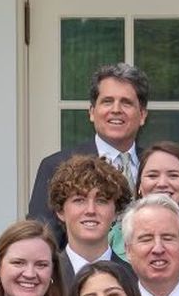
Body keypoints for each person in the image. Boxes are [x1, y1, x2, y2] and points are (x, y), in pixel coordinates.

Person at [28, 63, 149, 229]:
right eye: (107, 101)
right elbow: (43, 239)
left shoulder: (157, 166)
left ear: (142, 115)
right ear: (92, 112)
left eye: (126, 103)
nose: (116, 109)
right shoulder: (55, 166)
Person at [107, 142, 179, 259]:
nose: (162, 183)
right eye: (152, 175)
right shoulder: (113, 238)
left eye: (173, 175)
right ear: (139, 185)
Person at [50, 155, 133, 277]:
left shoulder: (135, 279)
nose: (91, 210)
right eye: (79, 200)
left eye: (101, 201)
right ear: (60, 210)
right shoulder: (46, 277)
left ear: (116, 212)